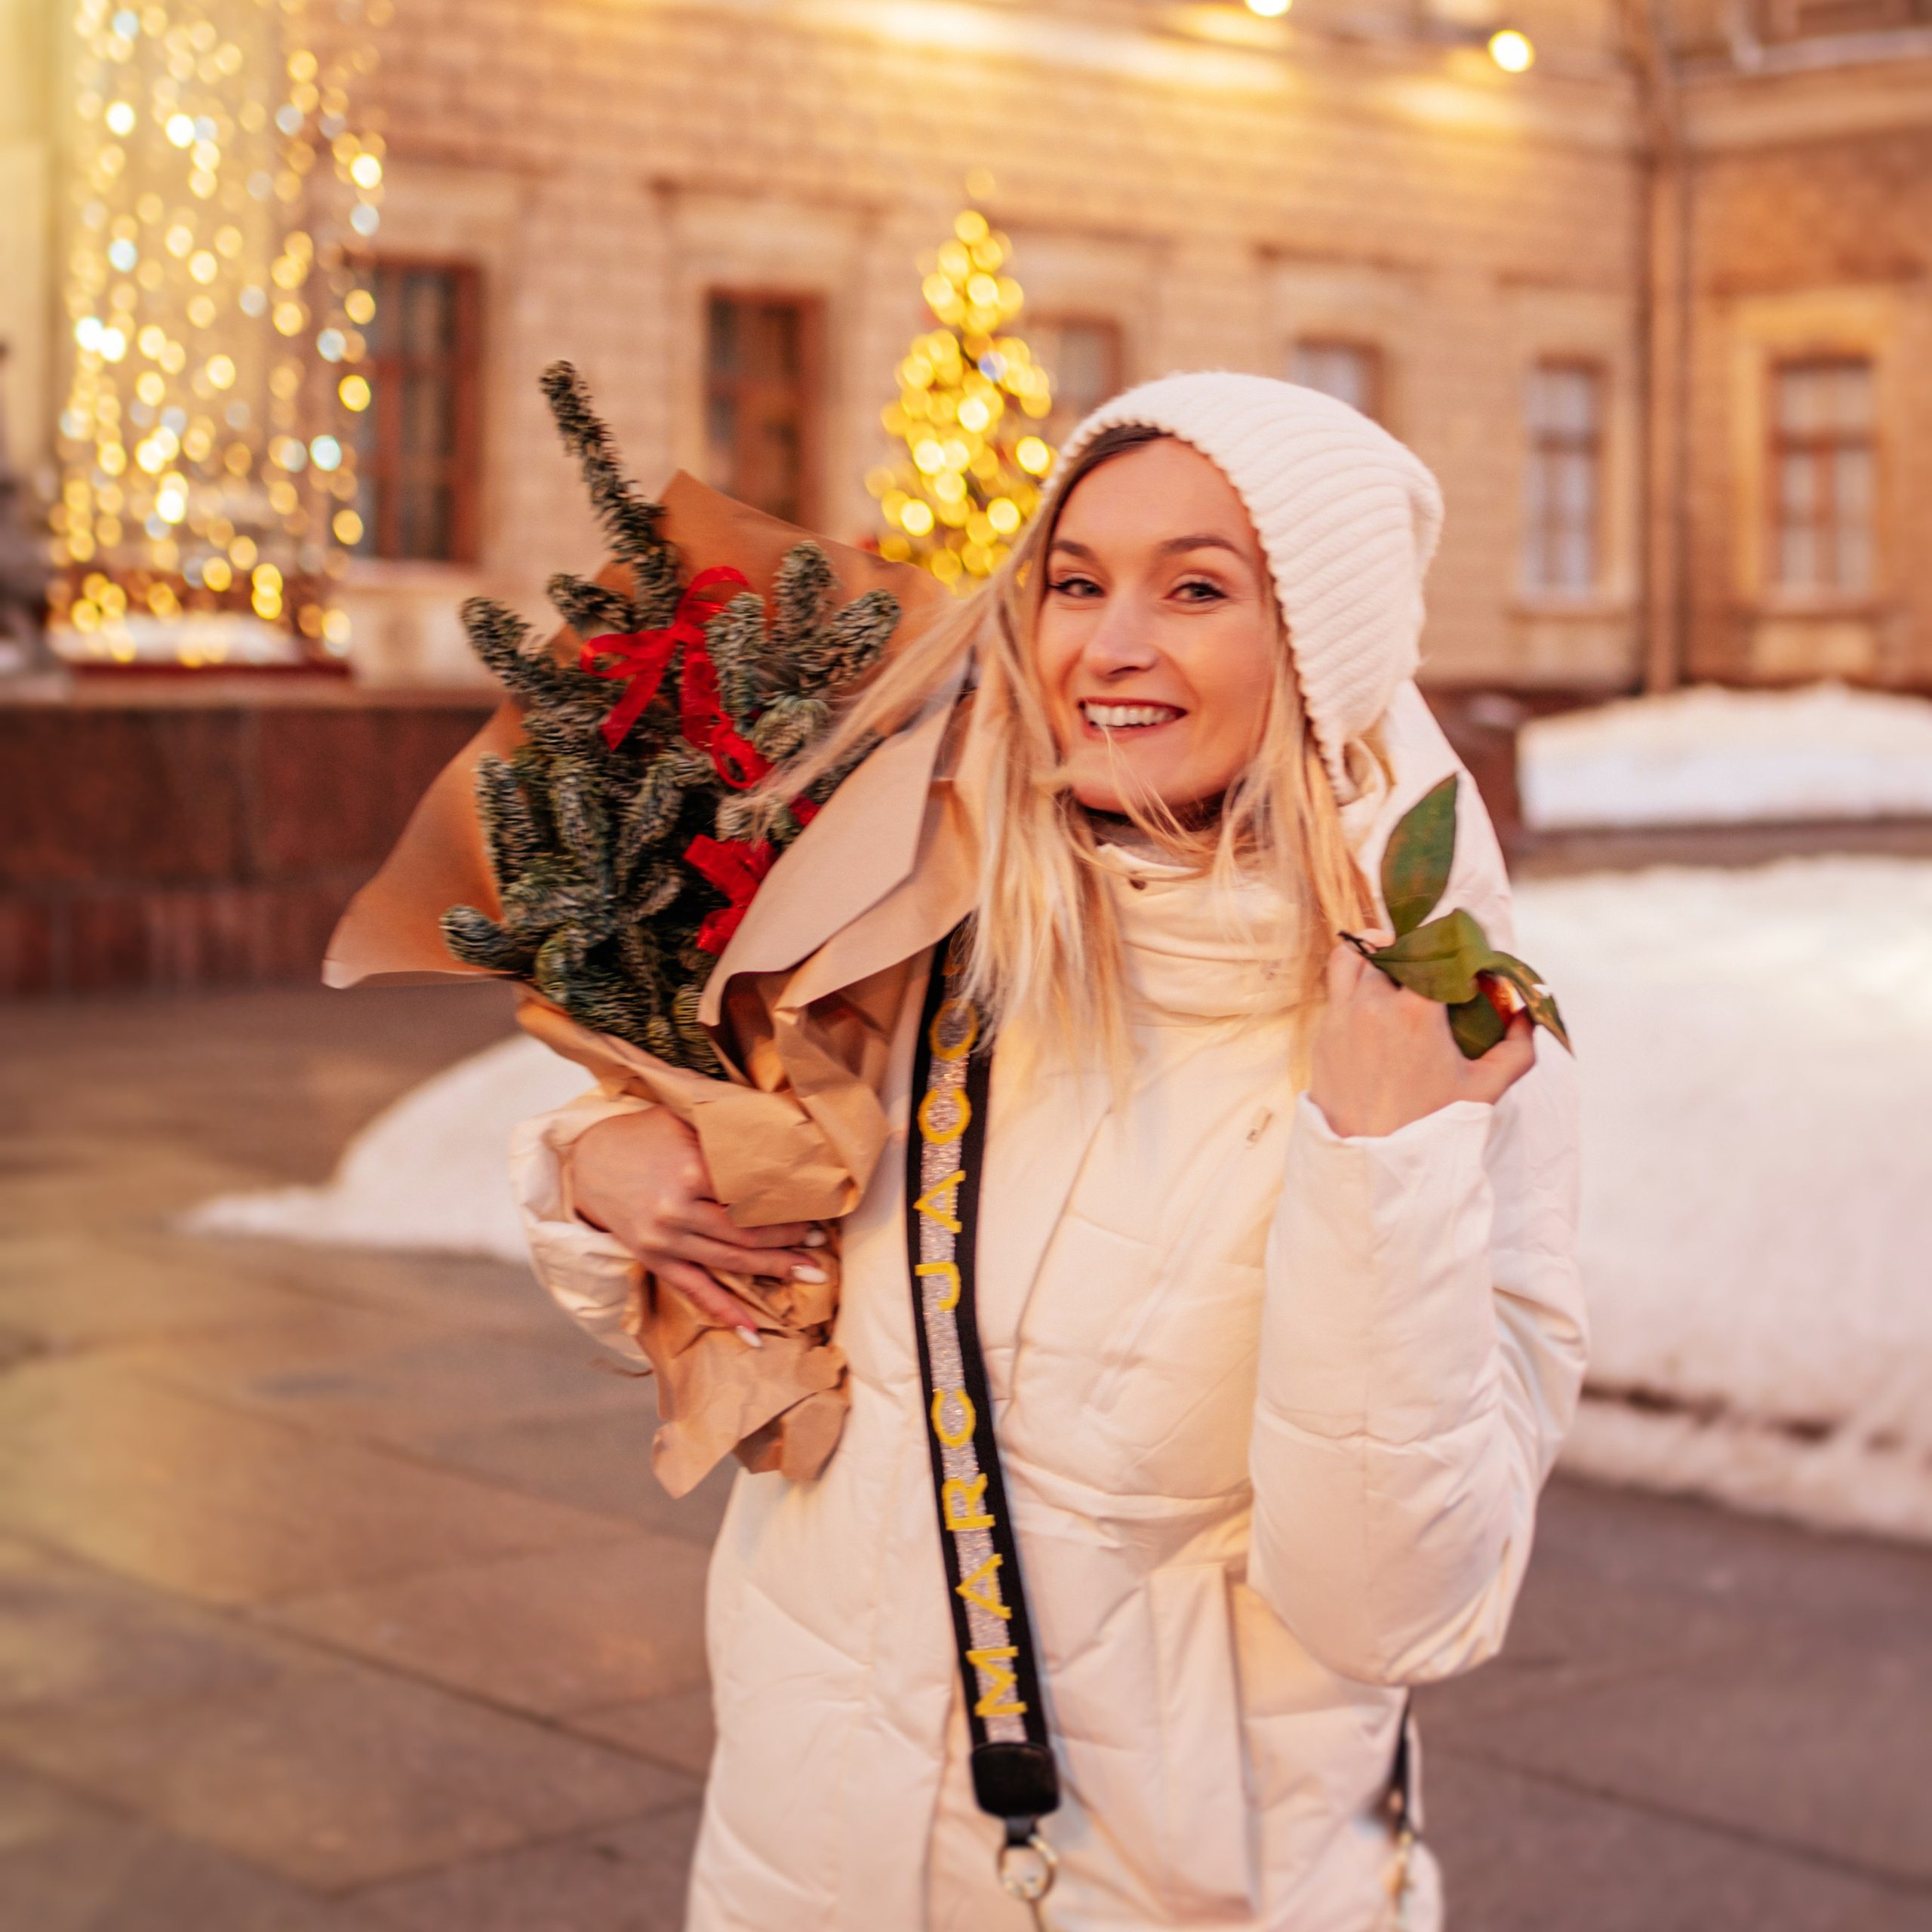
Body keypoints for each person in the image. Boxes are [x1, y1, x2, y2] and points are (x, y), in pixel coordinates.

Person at [512, 374, 1586, 1931]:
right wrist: (595, 1164)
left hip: (1168, 1889)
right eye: (1073, 582)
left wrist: (1382, 1153)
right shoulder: (920, 921)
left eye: (1196, 588)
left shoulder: (1442, 1037)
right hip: (805, 1852)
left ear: (1319, 642)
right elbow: (744, 1293)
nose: (1109, 643)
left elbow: (1389, 1600)